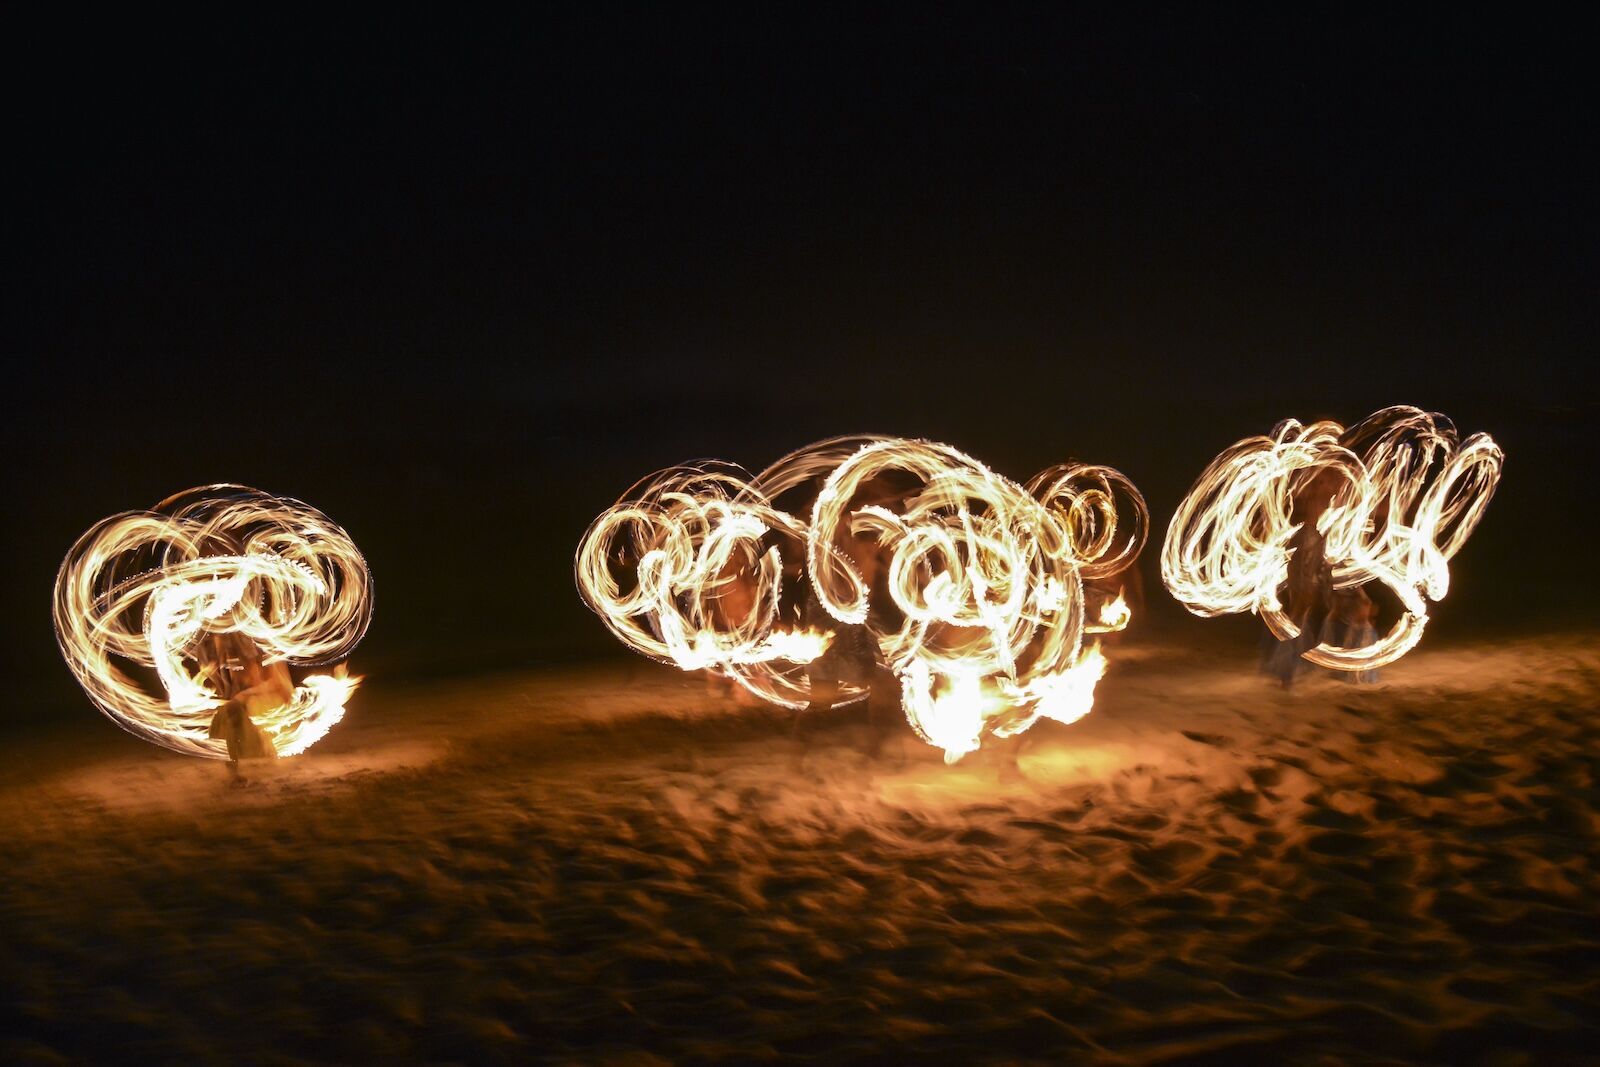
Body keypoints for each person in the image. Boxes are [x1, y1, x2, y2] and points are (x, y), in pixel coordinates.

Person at [201, 630, 290, 782]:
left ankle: (263, 757)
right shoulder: (230, 658)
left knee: (238, 711)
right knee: (229, 715)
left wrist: (244, 695)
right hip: (249, 698)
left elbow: (274, 683)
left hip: (269, 696)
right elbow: (234, 684)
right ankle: (235, 765)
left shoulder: (257, 651)